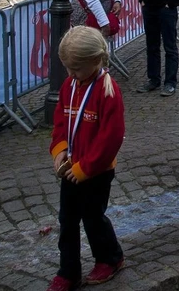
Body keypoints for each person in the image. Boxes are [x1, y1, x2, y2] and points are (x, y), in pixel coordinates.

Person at [47, 26, 125, 291]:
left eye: (76, 69)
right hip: (71, 167)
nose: (70, 74)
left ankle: (110, 257)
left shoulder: (107, 90)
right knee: (67, 221)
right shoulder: (70, 85)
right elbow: (60, 122)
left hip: (97, 170)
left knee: (93, 217)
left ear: (94, 61)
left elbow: (110, 139)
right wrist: (59, 152)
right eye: (67, 68)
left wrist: (86, 168)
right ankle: (68, 272)